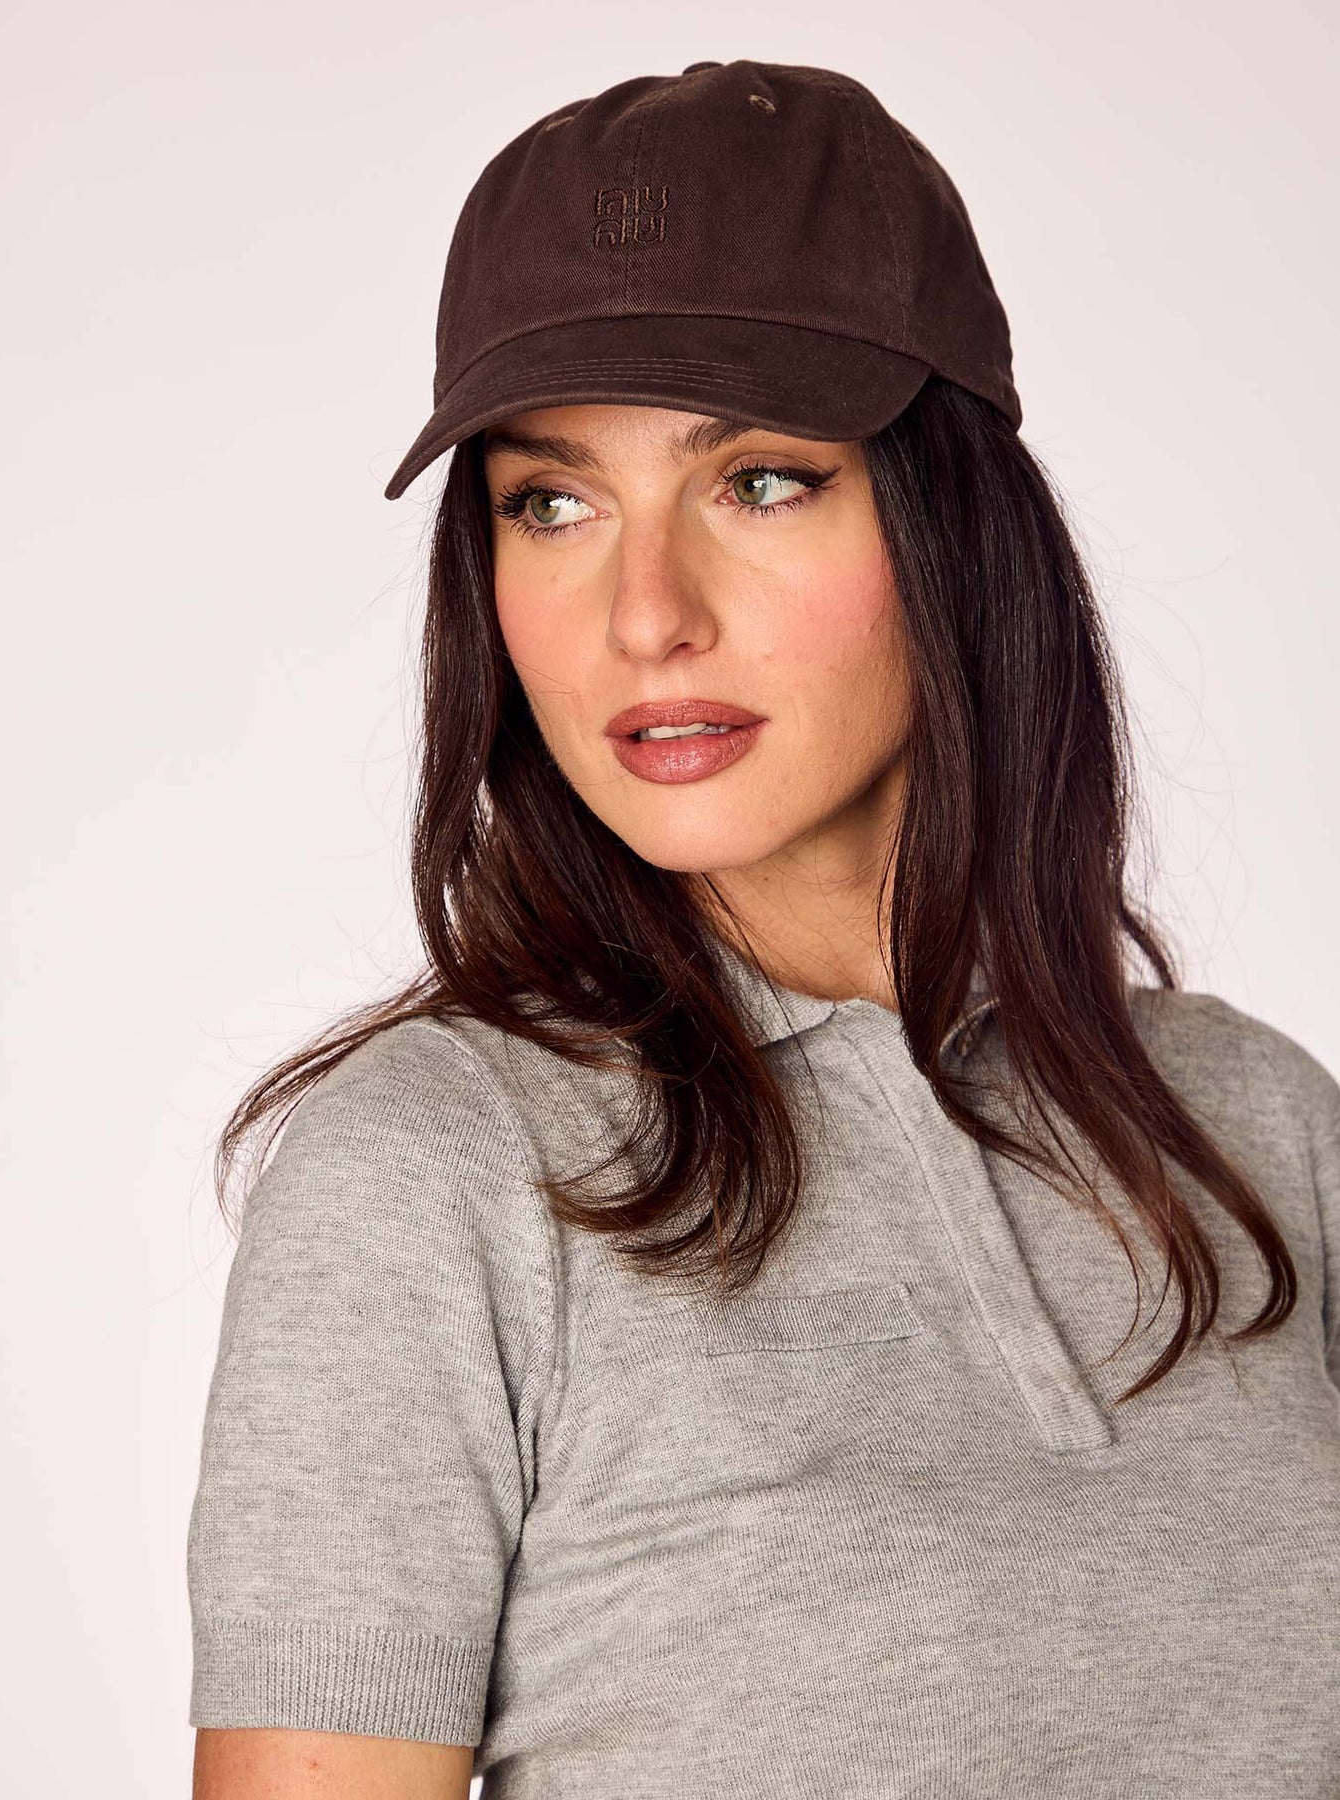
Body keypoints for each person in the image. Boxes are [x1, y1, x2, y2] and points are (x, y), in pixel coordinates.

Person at [186, 59, 1340, 1800]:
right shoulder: (436, 1174)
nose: (646, 615)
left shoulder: (1258, 1134)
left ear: (951, 524)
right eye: (549, 503)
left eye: (760, 482)